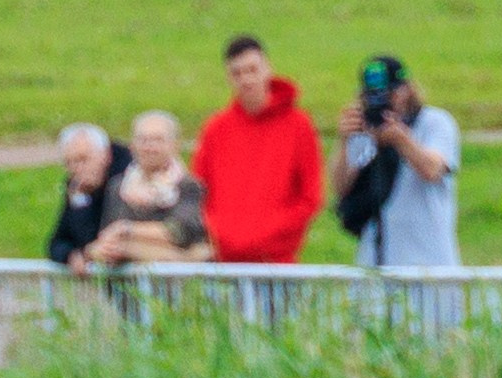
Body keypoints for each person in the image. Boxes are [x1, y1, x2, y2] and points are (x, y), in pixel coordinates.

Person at [191, 34, 324, 264]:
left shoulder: (299, 125)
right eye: (237, 73)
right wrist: (218, 235)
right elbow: (197, 191)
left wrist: (271, 237)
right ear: (229, 78)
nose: (246, 79)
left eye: (252, 70)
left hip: (277, 263)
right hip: (221, 262)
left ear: (267, 69)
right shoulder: (215, 129)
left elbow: (309, 196)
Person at [332, 51, 461, 270]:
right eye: (372, 95)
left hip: (430, 263)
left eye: (390, 94)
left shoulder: (435, 122)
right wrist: (344, 141)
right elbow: (340, 186)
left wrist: (401, 140)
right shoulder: (364, 128)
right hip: (375, 260)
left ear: (407, 89)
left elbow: (432, 170)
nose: (383, 102)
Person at [81, 111, 209, 264]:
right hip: (126, 282)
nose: (149, 147)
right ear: (132, 145)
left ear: (175, 145)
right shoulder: (118, 186)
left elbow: (182, 232)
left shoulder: (188, 185)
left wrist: (127, 231)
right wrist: (102, 250)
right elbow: (108, 233)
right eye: (143, 140)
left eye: (158, 140)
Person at [47, 122, 131, 269]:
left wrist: (88, 252)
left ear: (106, 155)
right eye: (69, 163)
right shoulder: (77, 186)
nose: (76, 169)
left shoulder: (127, 179)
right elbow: (57, 242)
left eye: (83, 159)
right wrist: (72, 256)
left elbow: (106, 235)